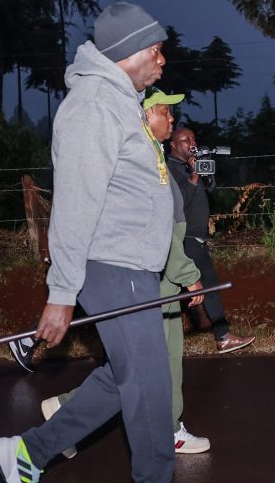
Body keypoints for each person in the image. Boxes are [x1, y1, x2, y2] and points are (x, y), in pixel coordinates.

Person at [0, 2, 214, 483]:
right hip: (112, 265)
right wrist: (61, 292)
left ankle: (29, 452)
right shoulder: (94, 107)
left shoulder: (121, 102)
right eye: (157, 50)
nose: (163, 60)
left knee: (125, 379)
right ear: (131, 51)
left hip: (130, 263)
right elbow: (74, 206)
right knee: (152, 384)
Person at [38, 86, 211, 457]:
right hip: (152, 271)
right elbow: (159, 227)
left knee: (138, 362)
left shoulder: (155, 158)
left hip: (155, 267)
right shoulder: (141, 161)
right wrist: (186, 271)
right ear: (145, 116)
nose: (171, 119)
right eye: (165, 113)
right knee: (158, 360)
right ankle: (168, 430)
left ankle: (67, 411)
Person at [167, 126, 256, 353]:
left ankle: (219, 335)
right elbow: (178, 205)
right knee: (207, 285)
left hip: (194, 238)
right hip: (184, 237)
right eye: (185, 139)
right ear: (173, 145)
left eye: (193, 138)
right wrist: (194, 175)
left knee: (182, 289)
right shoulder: (170, 170)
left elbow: (210, 190)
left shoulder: (188, 168)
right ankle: (222, 336)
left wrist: (201, 172)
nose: (191, 142)